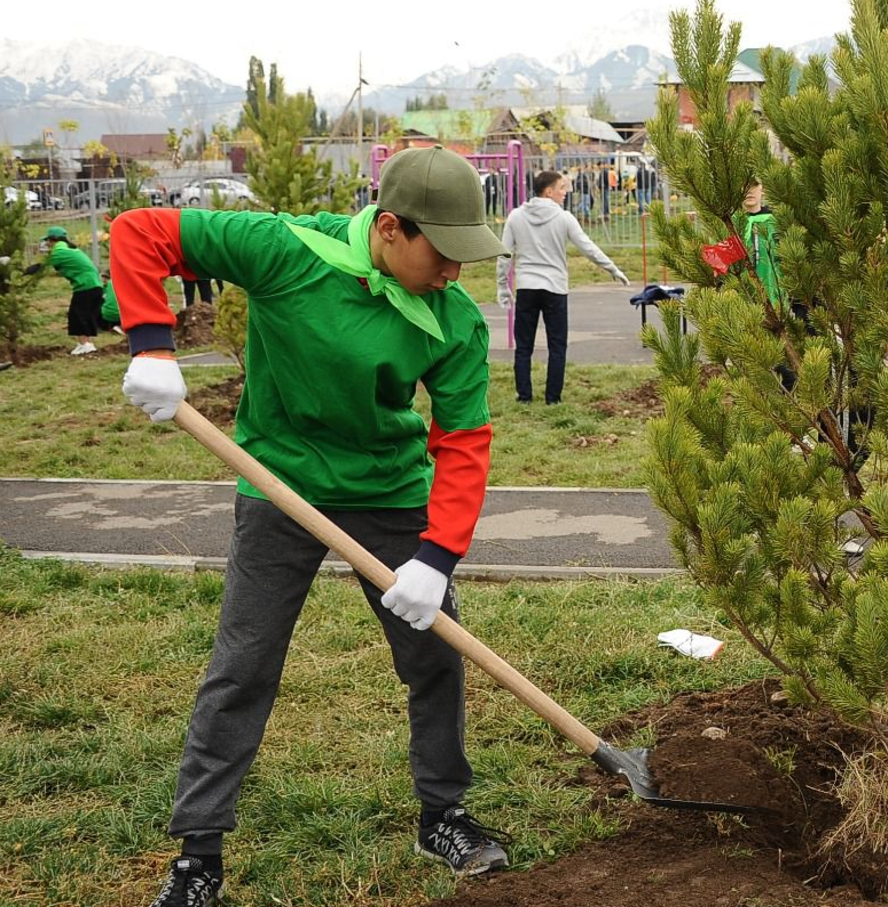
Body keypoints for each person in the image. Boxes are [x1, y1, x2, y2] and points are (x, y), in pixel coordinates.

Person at [112, 146, 514, 906]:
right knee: (244, 664)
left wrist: (436, 555)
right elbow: (141, 231)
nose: (455, 271)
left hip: (390, 494)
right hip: (280, 487)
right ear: (390, 228)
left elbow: (464, 440)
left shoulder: (452, 318)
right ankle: (199, 855)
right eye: (442, 252)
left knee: (435, 657)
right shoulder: (287, 250)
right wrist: (151, 345)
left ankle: (443, 815)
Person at [497, 169, 631, 405]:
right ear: (548, 191)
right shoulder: (563, 218)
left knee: (523, 345)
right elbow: (587, 247)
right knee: (557, 345)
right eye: (562, 188)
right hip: (555, 288)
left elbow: (505, 254)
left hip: (527, 286)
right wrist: (612, 268)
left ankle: (524, 396)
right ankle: (553, 398)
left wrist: (502, 285)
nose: (566, 193)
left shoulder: (516, 216)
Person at [25, 226, 104, 355]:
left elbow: (41, 267)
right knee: (85, 315)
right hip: (95, 285)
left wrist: (21, 272)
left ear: (52, 240)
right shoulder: (68, 249)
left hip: (86, 286)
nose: (47, 244)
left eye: (48, 241)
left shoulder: (59, 252)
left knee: (77, 315)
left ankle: (85, 345)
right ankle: (86, 344)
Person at [737, 180, 781, 307]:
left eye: (754, 185)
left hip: (774, 294)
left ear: (763, 189)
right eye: (745, 185)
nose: (749, 191)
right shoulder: (732, 222)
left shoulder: (775, 220)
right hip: (742, 296)